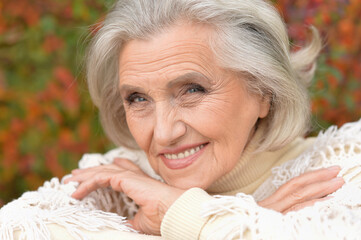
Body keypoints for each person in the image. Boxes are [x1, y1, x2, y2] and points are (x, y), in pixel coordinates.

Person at [2, 0, 361, 239]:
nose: (163, 133)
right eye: (138, 98)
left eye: (192, 90)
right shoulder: (121, 179)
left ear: (263, 91)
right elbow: (15, 228)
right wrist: (244, 221)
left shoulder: (346, 166)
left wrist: (175, 215)